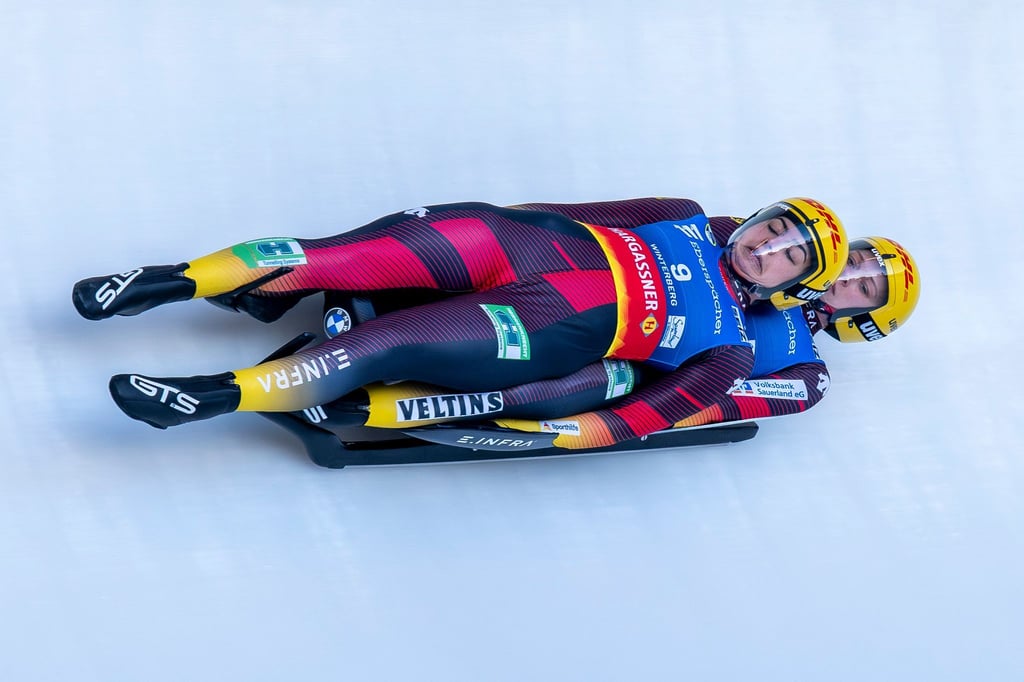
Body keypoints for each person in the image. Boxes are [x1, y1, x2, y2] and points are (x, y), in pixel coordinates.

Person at [72, 197, 849, 448]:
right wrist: (480, 217)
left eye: (787, 256)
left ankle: (212, 394)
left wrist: (551, 428)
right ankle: (168, 280)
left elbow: (637, 417)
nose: (767, 247)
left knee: (386, 343)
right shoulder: (683, 213)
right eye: (774, 228)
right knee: (342, 256)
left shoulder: (729, 349)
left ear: (794, 287)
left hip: (546, 323)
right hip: (522, 244)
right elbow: (570, 210)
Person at [309, 235, 919, 448]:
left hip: (651, 372)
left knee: (602, 377)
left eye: (864, 289)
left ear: (863, 319)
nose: (849, 279)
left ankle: (394, 400)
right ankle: (390, 301)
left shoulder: (809, 375)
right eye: (855, 263)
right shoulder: (766, 250)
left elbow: (718, 403)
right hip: (620, 309)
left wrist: (630, 420)